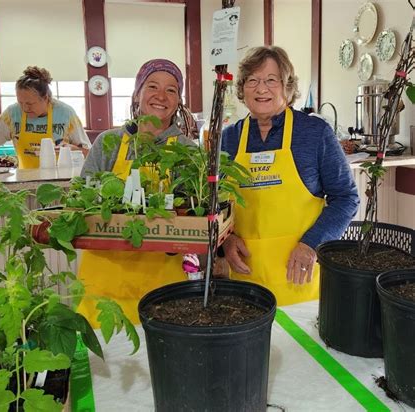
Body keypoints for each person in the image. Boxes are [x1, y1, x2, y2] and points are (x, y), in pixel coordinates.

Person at [220, 46, 359, 305]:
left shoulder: (314, 133)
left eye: (272, 80)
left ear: (287, 87)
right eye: (252, 80)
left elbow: (346, 198)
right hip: (245, 281)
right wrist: (225, 241)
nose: (262, 89)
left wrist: (312, 244)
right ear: (242, 89)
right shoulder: (229, 138)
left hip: (300, 278)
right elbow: (218, 204)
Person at [79, 59, 197, 325]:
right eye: (152, 86)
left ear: (178, 101)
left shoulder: (187, 150)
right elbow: (82, 200)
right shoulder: (108, 142)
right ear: (137, 93)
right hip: (104, 274)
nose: (161, 96)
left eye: (171, 90)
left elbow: (190, 216)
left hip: (161, 278)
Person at [0, 66, 91, 169]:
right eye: (20, 103)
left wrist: (71, 149)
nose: (25, 108)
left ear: (45, 98)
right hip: (24, 181)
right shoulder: (11, 114)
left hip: (60, 182)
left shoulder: (66, 114)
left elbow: (89, 153)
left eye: (30, 104)